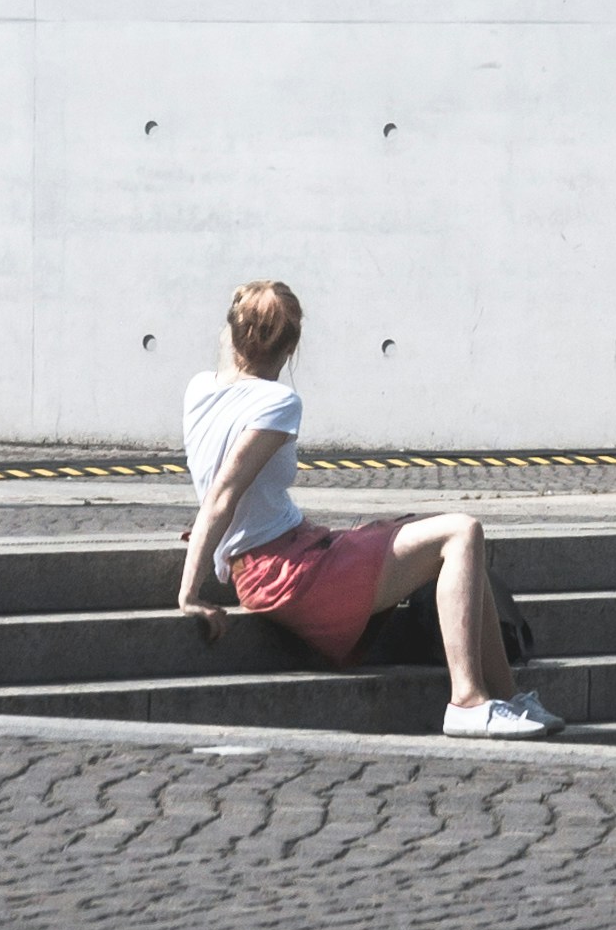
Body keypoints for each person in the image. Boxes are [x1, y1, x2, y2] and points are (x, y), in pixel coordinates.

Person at [177, 277, 555, 736]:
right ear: (291, 347)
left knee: (445, 536)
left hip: (290, 554)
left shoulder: (198, 390)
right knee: (461, 532)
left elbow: (217, 491)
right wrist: (189, 594)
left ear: (233, 332)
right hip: (285, 571)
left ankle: (508, 698)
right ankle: (467, 700)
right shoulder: (278, 402)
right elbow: (222, 494)